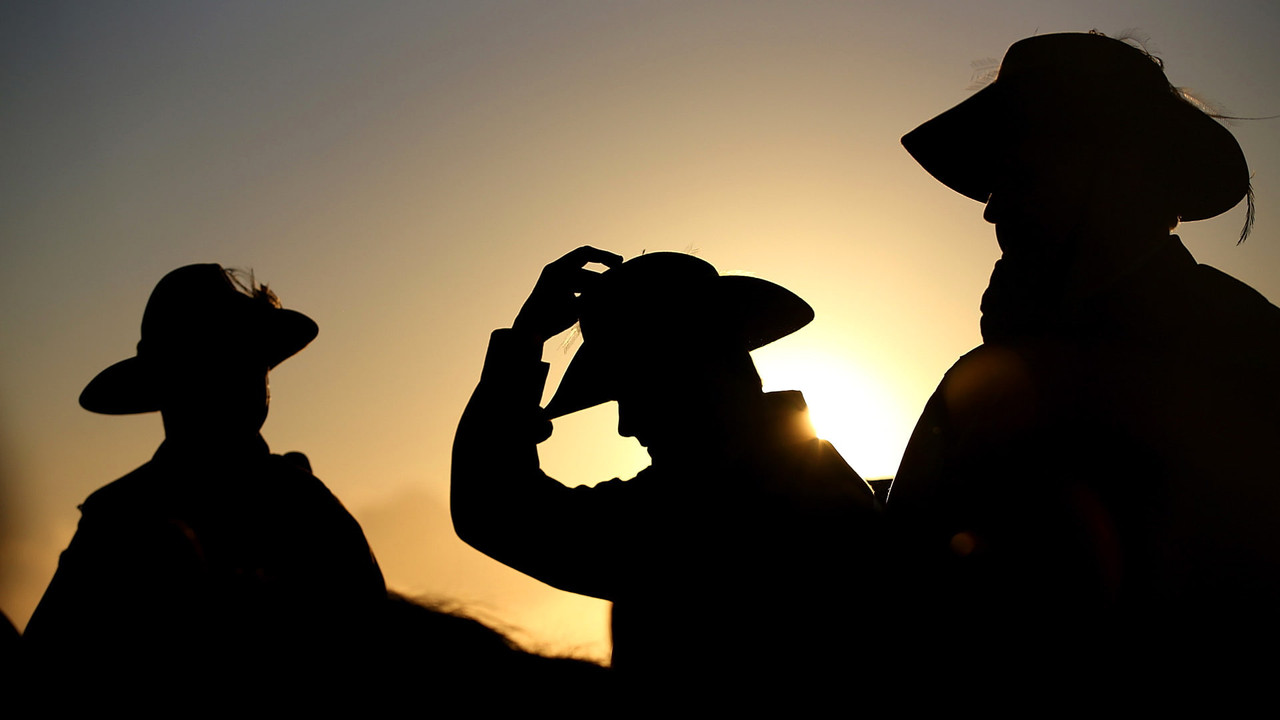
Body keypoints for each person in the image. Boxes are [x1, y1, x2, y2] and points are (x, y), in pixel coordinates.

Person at [889, 31, 1280, 689]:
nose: (993, 207)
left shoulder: (1243, 355)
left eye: (1021, 172)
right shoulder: (985, 378)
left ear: (1119, 174)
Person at [451, 248, 883, 698]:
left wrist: (527, 337)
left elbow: (494, 509)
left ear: (695, 373)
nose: (626, 425)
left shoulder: (705, 509)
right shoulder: (793, 481)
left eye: (635, 390)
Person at [24, 264, 386, 695]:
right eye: (219, 361)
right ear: (174, 385)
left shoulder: (118, 515)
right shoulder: (116, 520)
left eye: (248, 361)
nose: (244, 378)